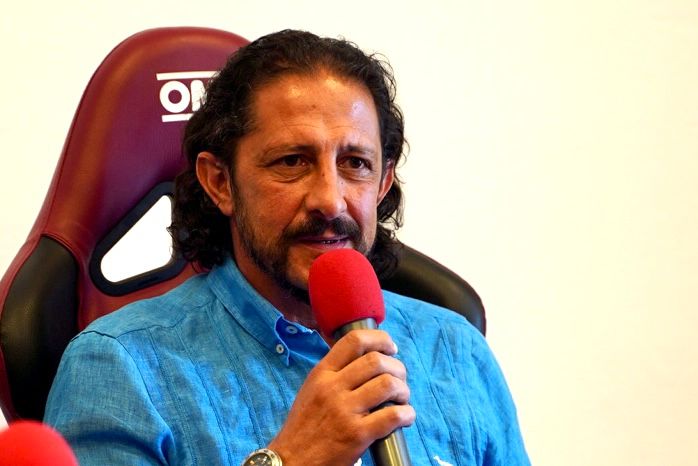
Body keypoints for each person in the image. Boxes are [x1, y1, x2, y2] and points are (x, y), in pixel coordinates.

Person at [44, 30, 530, 465]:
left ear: (383, 183)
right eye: (292, 161)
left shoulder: (454, 349)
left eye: (355, 163)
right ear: (221, 183)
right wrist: (293, 459)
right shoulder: (118, 367)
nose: (330, 199)